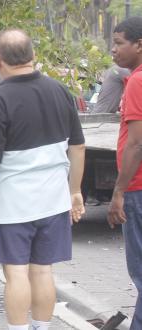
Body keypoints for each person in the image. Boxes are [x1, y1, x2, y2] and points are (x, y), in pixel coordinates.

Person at [0, 29, 86, 330]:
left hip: (12, 203)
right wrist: (74, 191)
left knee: (17, 273)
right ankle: (43, 327)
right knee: (43, 271)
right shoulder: (61, 91)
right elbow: (78, 146)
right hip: (53, 200)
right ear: (33, 55)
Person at [107, 16, 142, 329]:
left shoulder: (138, 83)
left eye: (119, 43)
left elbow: (135, 144)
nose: (113, 50)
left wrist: (119, 191)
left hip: (138, 187)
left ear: (139, 45)